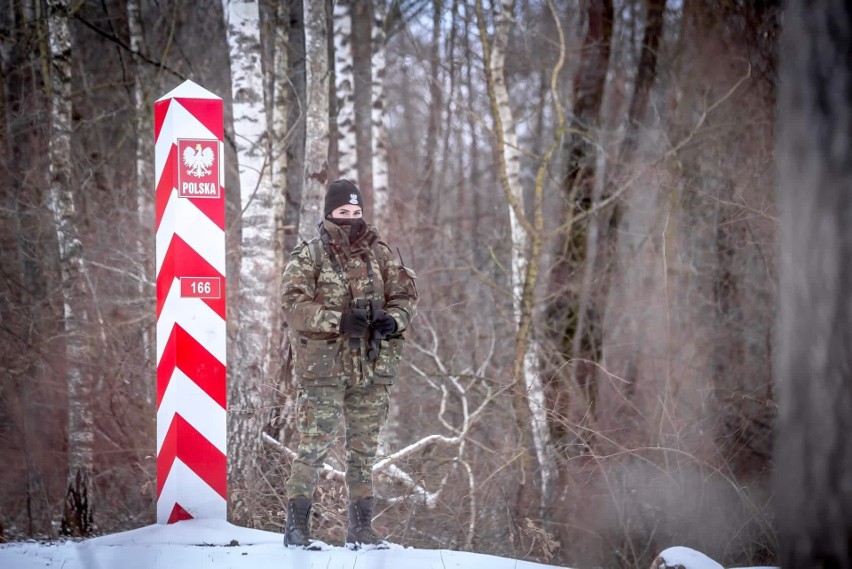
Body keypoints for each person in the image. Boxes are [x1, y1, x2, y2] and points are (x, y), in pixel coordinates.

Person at [280, 179, 418, 549]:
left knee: (364, 451)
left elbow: (405, 295)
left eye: (356, 213)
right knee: (313, 446)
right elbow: (293, 307)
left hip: (372, 366)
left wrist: (394, 319)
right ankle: (296, 529)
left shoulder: (380, 254)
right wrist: (337, 320)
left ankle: (361, 529)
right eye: (343, 213)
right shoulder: (309, 255)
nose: (351, 220)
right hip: (324, 368)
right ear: (329, 213)